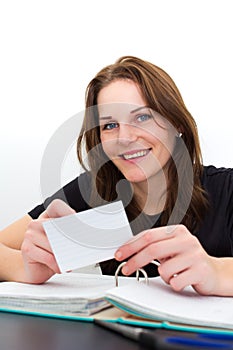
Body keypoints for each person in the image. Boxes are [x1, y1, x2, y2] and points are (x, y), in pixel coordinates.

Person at [0, 56, 233, 296]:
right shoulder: (92, 191)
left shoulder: (227, 188)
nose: (125, 137)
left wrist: (216, 270)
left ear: (177, 124)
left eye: (142, 117)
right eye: (110, 126)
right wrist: (23, 268)